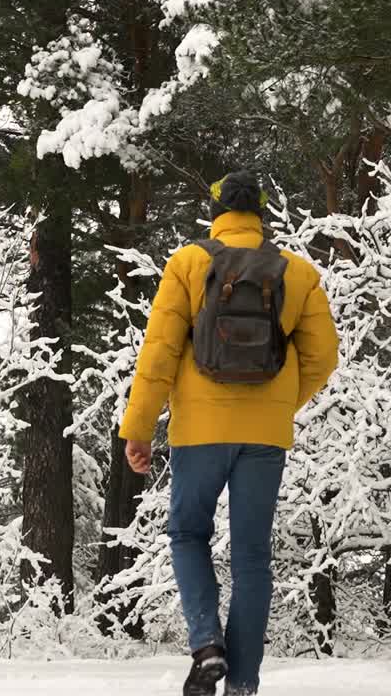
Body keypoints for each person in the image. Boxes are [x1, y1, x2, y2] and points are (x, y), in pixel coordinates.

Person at [119, 168, 339, 696]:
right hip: (264, 437)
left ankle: (207, 645)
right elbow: (323, 356)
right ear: (260, 213)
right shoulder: (298, 272)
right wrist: (279, 403)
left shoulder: (190, 263)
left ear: (216, 211)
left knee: (188, 534)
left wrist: (139, 428)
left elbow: (159, 353)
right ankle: (243, 683)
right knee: (251, 558)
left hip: (198, 430)